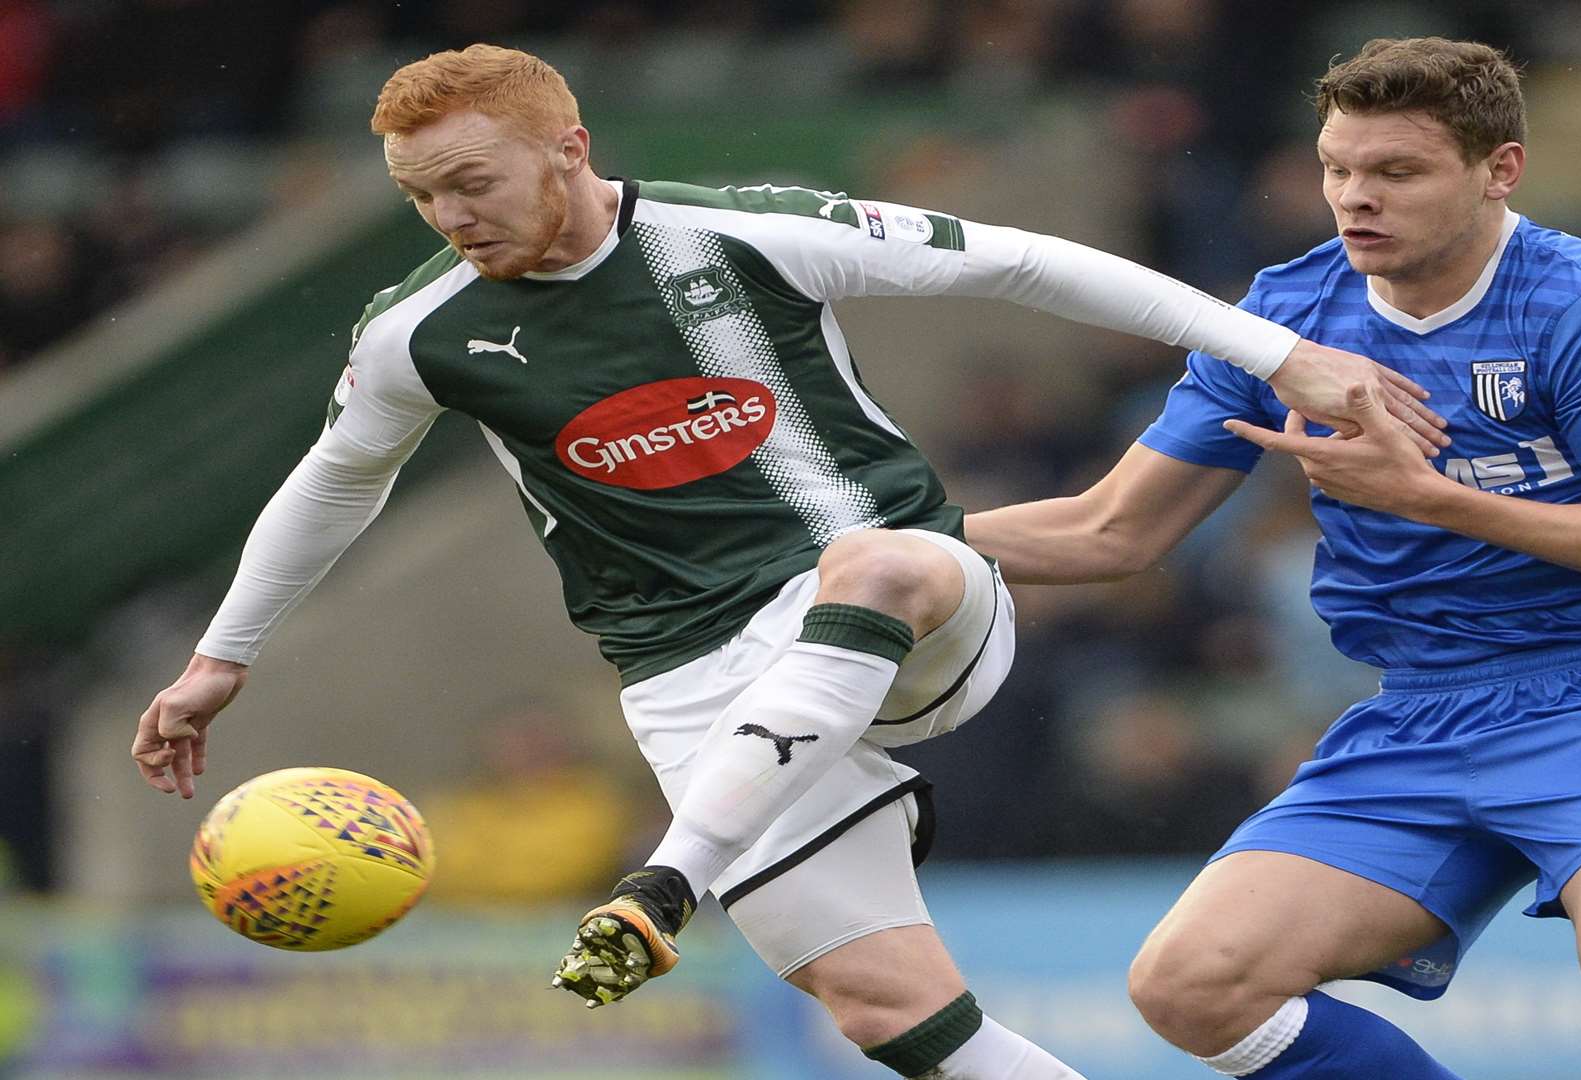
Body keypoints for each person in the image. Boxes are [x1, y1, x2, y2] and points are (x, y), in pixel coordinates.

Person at [127, 44, 1445, 1080]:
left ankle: (664, 881)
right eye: (423, 196)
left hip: (910, 604)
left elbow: (1026, 263)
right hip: (693, 677)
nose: (451, 214)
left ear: (567, 148)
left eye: (473, 181)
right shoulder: (424, 332)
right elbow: (338, 477)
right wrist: (218, 660)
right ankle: (696, 870)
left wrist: (1284, 353)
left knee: (877, 561)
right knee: (890, 1015)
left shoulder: (741, 234)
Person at [967, 36, 1581, 1080]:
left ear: (1499, 170)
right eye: (1338, 168)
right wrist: (854, 544)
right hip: (1418, 713)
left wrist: (1429, 498)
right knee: (1193, 983)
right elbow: (1111, 530)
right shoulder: (1288, 316)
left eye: (1397, 171)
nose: (1356, 198)